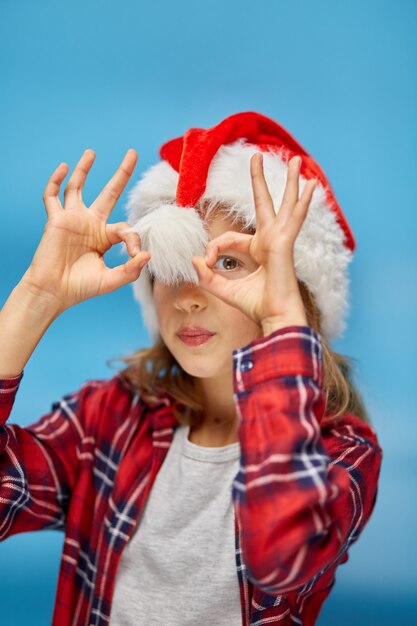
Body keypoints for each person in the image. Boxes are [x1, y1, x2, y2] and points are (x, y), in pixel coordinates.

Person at [0, 111, 382, 626]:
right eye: (171, 263)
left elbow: (282, 555)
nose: (189, 297)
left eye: (228, 262)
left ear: (297, 292)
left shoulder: (343, 453)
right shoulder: (109, 418)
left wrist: (279, 318)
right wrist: (36, 297)